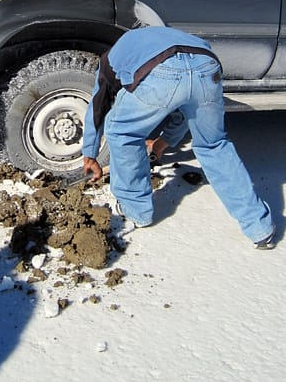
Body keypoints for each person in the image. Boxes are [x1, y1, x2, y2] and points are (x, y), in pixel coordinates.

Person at [82, 26, 276, 249]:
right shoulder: (161, 36)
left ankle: (136, 211)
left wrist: (90, 154)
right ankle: (259, 229)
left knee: (122, 132)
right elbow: (186, 105)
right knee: (214, 144)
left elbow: (98, 107)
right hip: (207, 66)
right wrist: (163, 142)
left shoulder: (110, 59)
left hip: (161, 69)